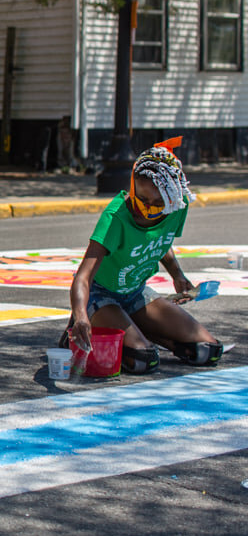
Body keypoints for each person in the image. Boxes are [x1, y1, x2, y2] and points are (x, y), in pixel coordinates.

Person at [66, 141, 222, 374]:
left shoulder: (177, 206)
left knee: (208, 350)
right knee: (143, 360)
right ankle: (88, 326)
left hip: (136, 292)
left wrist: (177, 275)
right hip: (100, 295)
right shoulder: (115, 217)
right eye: (142, 200)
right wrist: (79, 315)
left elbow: (161, 241)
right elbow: (83, 277)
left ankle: (133, 326)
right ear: (132, 186)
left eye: (157, 204)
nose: (147, 209)